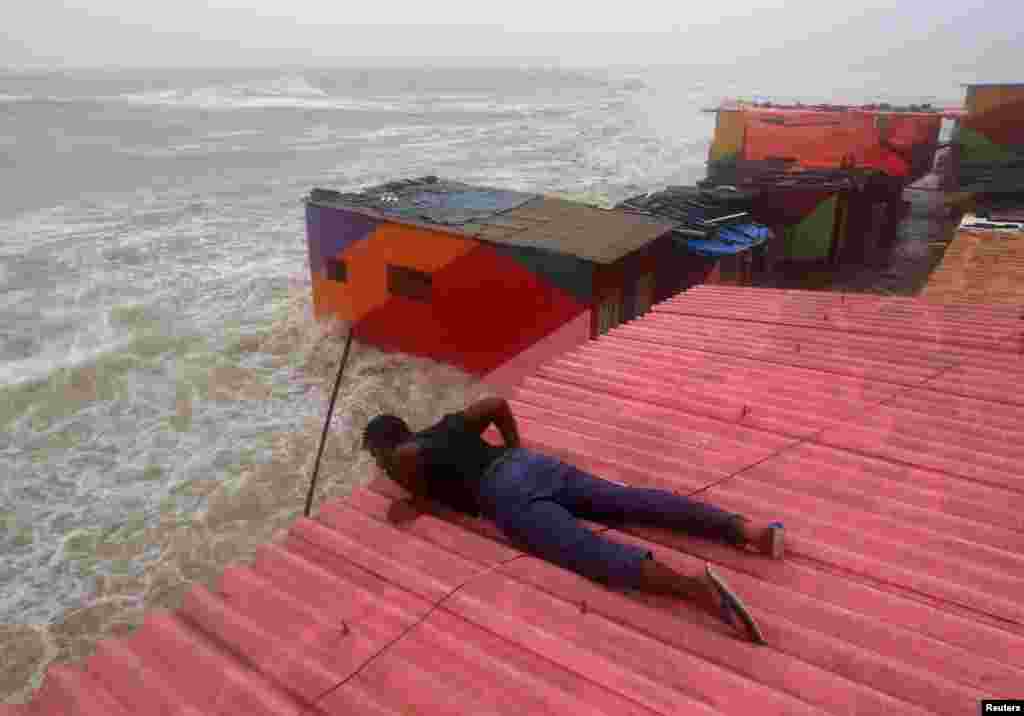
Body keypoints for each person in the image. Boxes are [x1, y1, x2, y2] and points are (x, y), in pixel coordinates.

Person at [362, 397, 784, 644]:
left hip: (506, 496)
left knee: (590, 552)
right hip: (529, 464)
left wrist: (414, 496)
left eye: (376, 456)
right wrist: (515, 448)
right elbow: (495, 404)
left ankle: (696, 590)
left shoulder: (403, 458)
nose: (379, 466)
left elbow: (408, 459)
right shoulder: (444, 427)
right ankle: (744, 529)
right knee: (628, 500)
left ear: (385, 447)